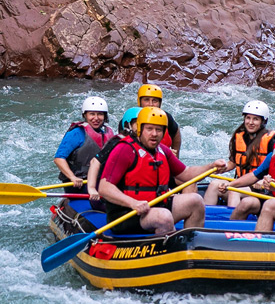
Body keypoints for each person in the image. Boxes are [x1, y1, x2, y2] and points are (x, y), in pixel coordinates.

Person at [98, 107, 227, 236]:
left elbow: (186, 173)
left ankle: (190, 246)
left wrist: (211, 167)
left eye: (158, 130)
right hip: (126, 214)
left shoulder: (163, 151)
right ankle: (169, 250)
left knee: (196, 201)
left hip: (156, 206)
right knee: (163, 217)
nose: (154, 134)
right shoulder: (124, 149)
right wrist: (133, 203)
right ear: (140, 129)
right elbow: (104, 188)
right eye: (149, 129)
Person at [204, 100, 275, 207]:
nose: (250, 122)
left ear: (263, 121)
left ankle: (233, 222)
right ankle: (204, 219)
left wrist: (263, 181)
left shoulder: (271, 141)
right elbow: (234, 163)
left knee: (234, 190)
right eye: (248, 118)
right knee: (214, 184)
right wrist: (223, 167)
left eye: (255, 119)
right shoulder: (239, 137)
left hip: (260, 191)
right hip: (240, 183)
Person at [85, 105, 141, 207]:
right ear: (127, 125)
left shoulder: (149, 144)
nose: (142, 127)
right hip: (105, 194)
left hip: (131, 190)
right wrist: (92, 189)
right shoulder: (117, 142)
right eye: (138, 124)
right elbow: (94, 162)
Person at [53, 96, 114, 186]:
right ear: (85, 115)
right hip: (80, 183)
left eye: (100, 114)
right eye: (92, 114)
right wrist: (72, 177)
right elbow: (58, 159)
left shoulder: (107, 133)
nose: (96, 118)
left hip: (100, 182)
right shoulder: (76, 133)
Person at [131, 83, 183, 155]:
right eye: (146, 100)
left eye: (155, 101)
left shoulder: (165, 117)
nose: (151, 104)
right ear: (139, 101)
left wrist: (176, 154)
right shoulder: (131, 118)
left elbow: (176, 131)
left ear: (160, 103)